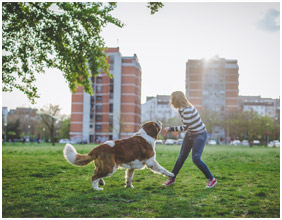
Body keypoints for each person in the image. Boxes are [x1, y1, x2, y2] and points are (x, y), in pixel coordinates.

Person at [162, 91, 217, 188]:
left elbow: (185, 126)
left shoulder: (187, 109)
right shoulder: (181, 109)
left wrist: (170, 129)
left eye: (172, 100)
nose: (171, 102)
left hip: (199, 135)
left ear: (177, 100)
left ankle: (212, 179)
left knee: (196, 158)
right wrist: (177, 130)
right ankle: (172, 178)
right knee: (181, 157)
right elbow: (187, 126)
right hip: (190, 134)